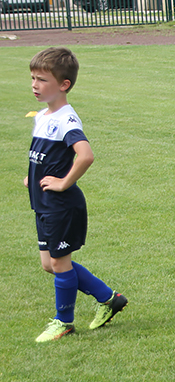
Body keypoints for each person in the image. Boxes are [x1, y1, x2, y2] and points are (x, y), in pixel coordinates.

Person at [25, 47, 127, 342]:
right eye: (32, 78)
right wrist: (31, 178)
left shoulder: (67, 120)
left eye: (42, 79)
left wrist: (63, 182)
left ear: (64, 85)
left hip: (61, 205)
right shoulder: (43, 115)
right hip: (43, 203)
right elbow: (44, 156)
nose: (34, 85)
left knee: (59, 264)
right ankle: (109, 299)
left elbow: (85, 155)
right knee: (50, 264)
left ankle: (64, 322)